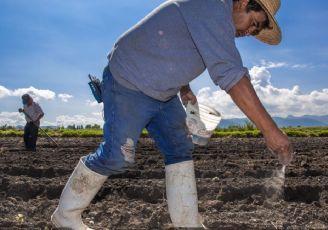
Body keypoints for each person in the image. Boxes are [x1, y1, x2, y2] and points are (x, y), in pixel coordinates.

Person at [52, 0, 294, 228]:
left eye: (257, 30)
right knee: (117, 157)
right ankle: (65, 217)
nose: (250, 32)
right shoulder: (214, 8)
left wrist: (184, 87)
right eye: (254, 24)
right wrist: (271, 132)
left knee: (180, 149)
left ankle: (188, 224)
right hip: (128, 82)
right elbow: (230, 75)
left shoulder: (212, 16)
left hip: (162, 95)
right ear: (242, 3)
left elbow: (172, 44)